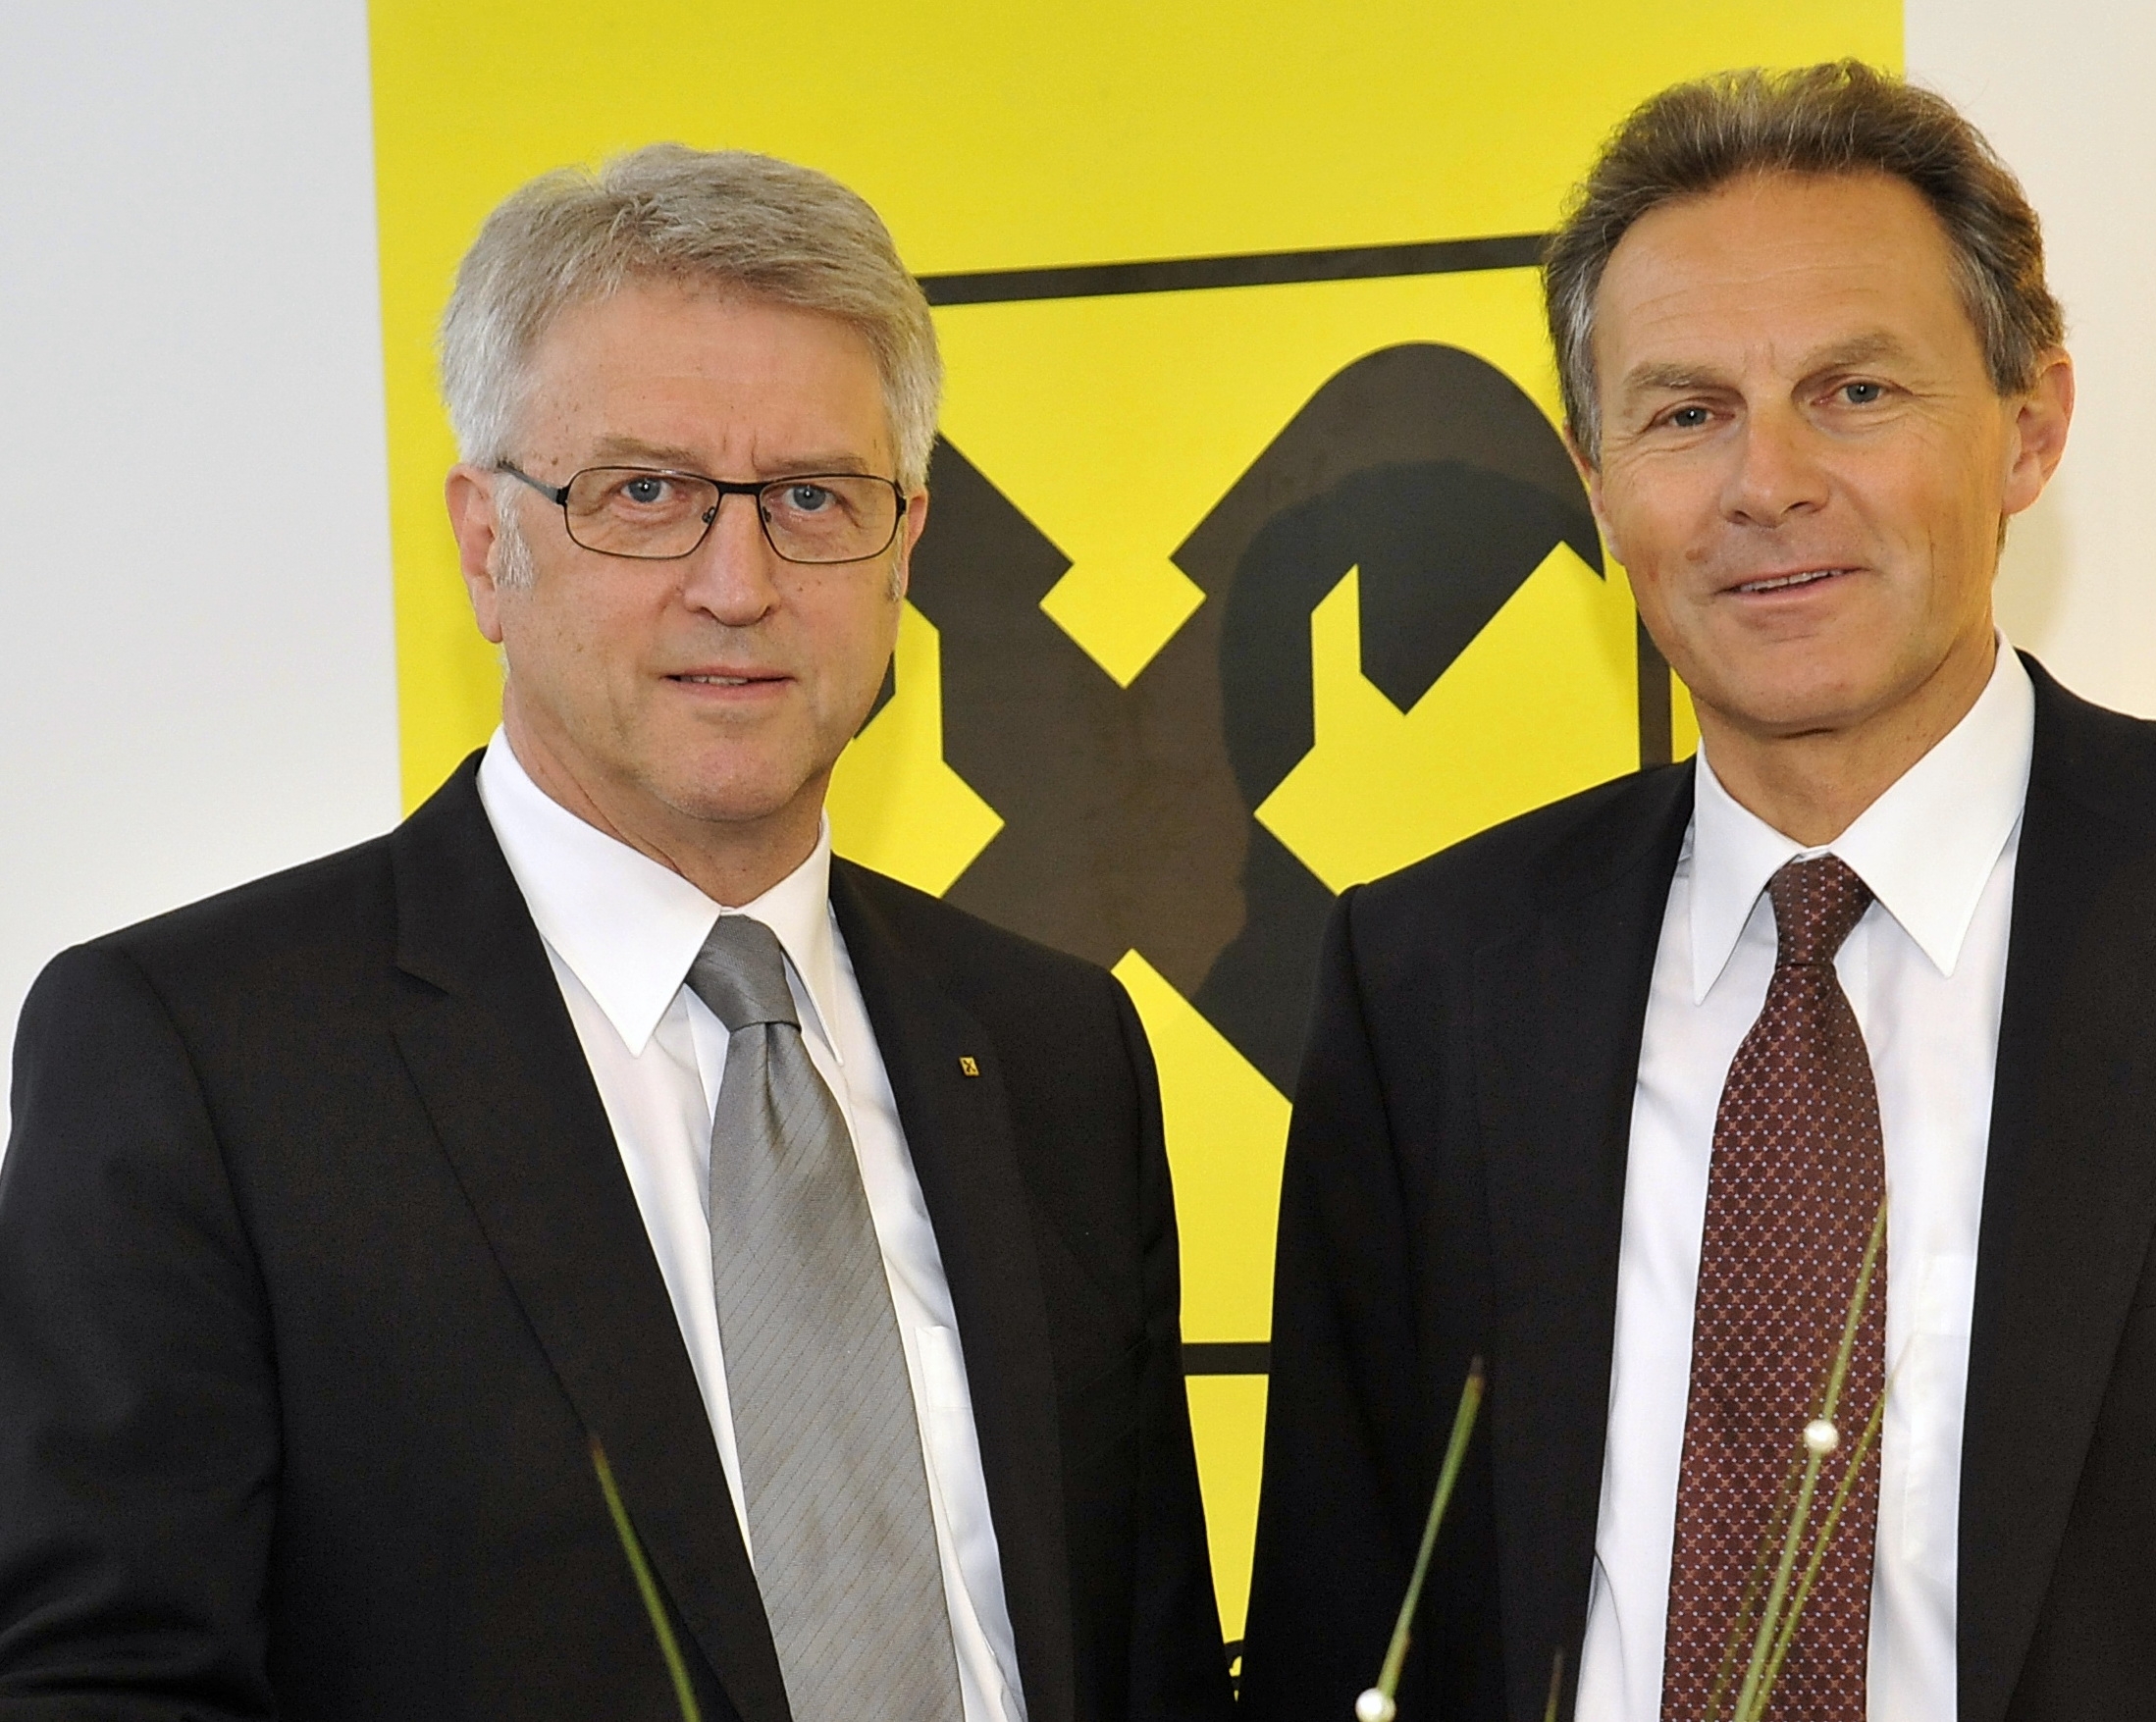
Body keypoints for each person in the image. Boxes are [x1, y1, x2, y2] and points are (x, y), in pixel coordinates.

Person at [1237, 61, 2156, 1722]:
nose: (1766, 483)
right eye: (1684, 414)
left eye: (1855, 391)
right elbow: (1339, 1621)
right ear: (1594, 483)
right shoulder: (1431, 976)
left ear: (2030, 428)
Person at [0, 145, 1232, 1722]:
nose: (738, 584)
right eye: (644, 494)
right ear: (485, 542)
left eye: (813, 498)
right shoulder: (202, 1055)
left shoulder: (1055, 1052)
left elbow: (1147, 1657)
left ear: (905, 546)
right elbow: (107, 1684)